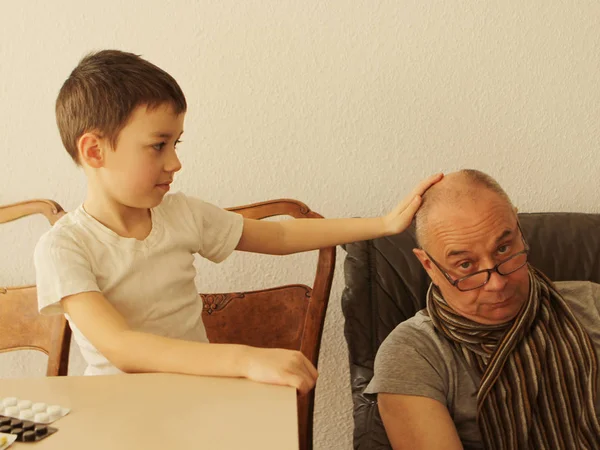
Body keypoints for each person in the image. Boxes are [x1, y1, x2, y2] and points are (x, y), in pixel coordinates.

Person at [33, 49, 442, 395]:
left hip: (200, 401)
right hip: (118, 411)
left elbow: (280, 232)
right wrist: (242, 357)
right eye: (158, 145)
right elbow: (122, 347)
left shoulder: (181, 214)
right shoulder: (63, 247)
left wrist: (384, 224)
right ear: (94, 150)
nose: (175, 162)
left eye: (176, 143)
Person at [366, 169, 600, 450]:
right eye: (466, 265)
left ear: (519, 229)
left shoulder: (591, 302)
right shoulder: (413, 354)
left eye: (503, 249)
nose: (497, 283)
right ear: (429, 266)